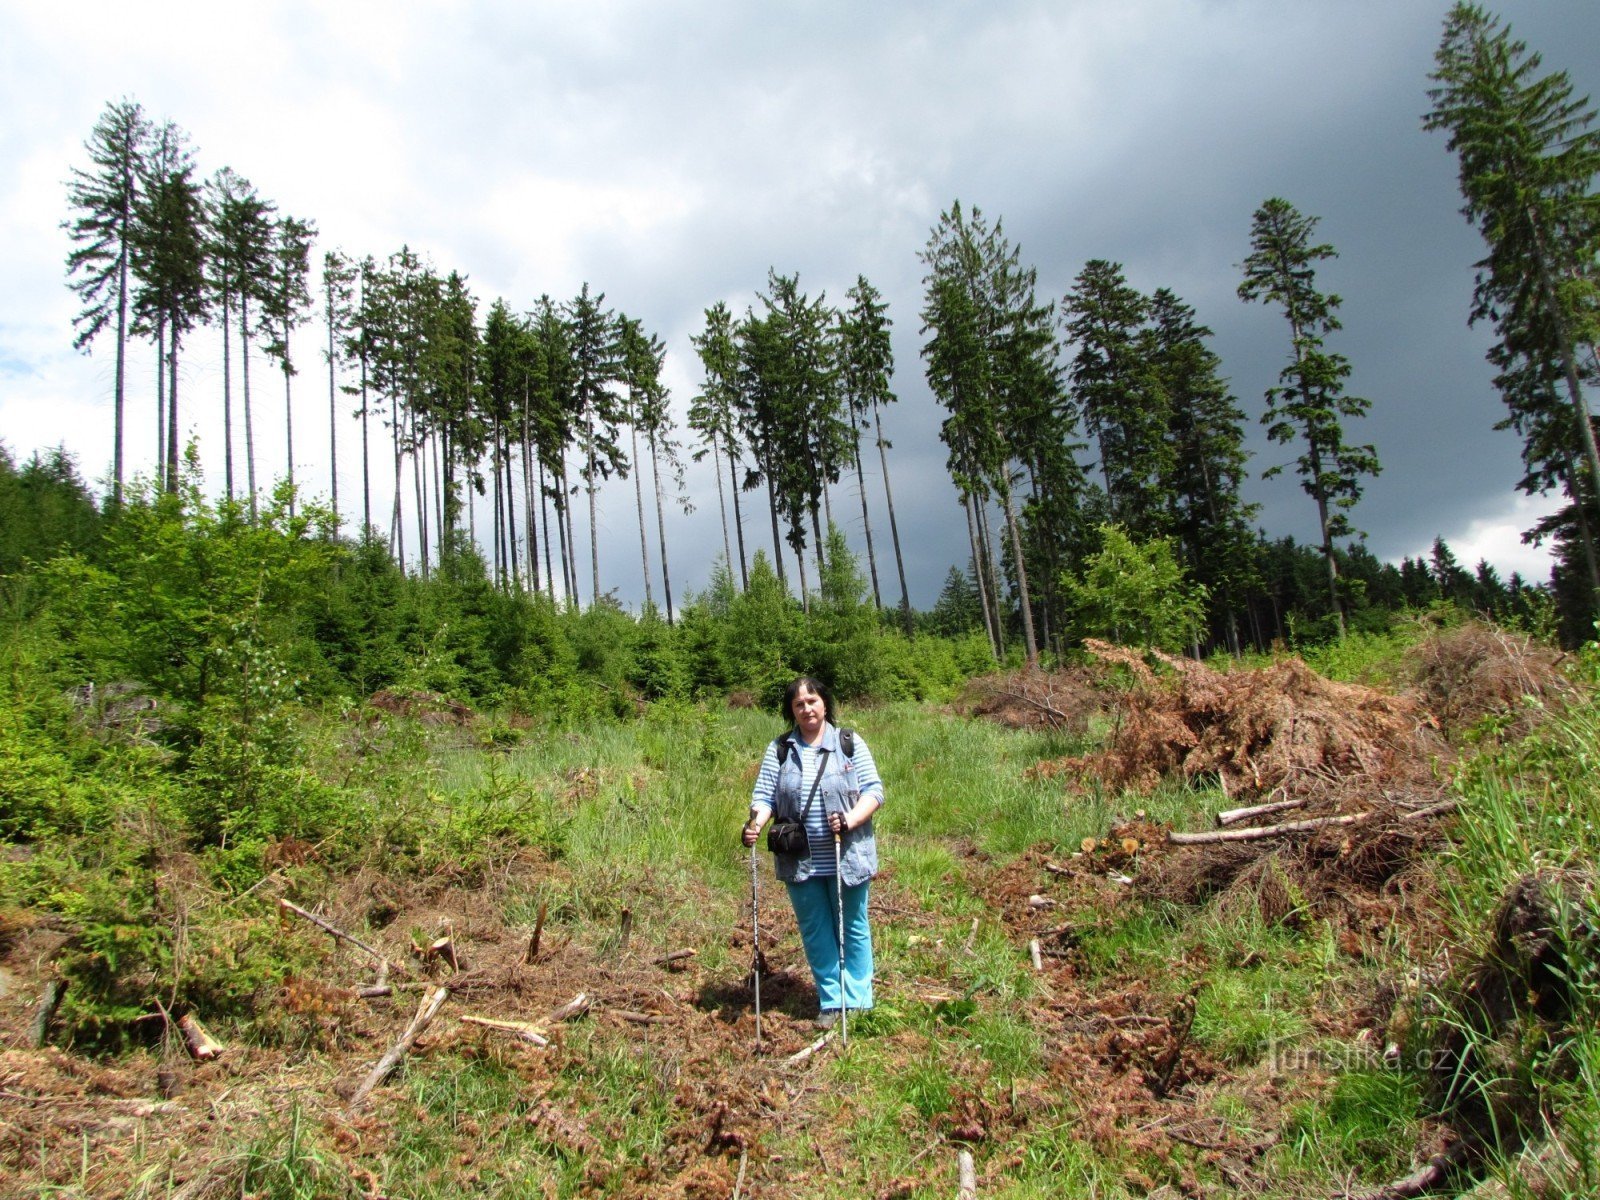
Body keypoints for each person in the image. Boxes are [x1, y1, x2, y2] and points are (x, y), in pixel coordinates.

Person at [742, 676, 883, 1028]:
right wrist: (756, 823)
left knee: (852, 924)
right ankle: (832, 1001)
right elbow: (764, 798)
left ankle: (860, 1001)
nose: (806, 709)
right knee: (815, 928)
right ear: (791, 711)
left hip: (847, 853)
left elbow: (874, 791)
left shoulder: (848, 743)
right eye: (798, 704)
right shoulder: (780, 749)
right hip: (800, 858)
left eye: (812, 701)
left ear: (825, 704)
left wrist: (850, 820)